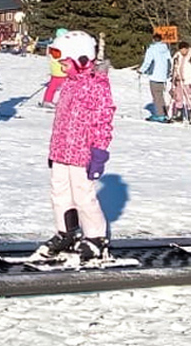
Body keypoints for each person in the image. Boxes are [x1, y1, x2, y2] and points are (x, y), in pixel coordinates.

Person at [38, 30, 116, 262]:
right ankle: (66, 232)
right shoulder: (70, 84)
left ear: (81, 60)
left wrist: (99, 153)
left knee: (83, 196)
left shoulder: (97, 86)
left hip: (83, 153)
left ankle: (96, 238)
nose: (61, 66)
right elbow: (61, 120)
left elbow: (103, 120)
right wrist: (54, 150)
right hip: (62, 151)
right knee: (59, 193)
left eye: (65, 62)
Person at [138, 32, 172, 122]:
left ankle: (160, 115)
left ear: (153, 39)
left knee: (156, 96)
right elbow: (169, 61)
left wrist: (141, 70)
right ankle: (164, 114)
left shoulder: (151, 49)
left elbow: (148, 62)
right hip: (163, 76)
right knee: (160, 95)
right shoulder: (166, 49)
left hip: (154, 75)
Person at [170, 41, 191, 124]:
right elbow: (174, 66)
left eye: (184, 50)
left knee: (189, 97)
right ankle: (179, 113)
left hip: (187, 80)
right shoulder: (177, 55)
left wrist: (187, 77)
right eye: (181, 50)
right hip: (179, 80)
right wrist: (175, 75)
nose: (183, 52)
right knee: (178, 97)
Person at [40, 27, 68, 108]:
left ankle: (47, 100)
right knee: (64, 87)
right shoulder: (59, 45)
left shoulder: (54, 44)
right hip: (60, 69)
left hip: (55, 69)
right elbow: (60, 56)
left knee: (53, 85)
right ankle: (52, 101)